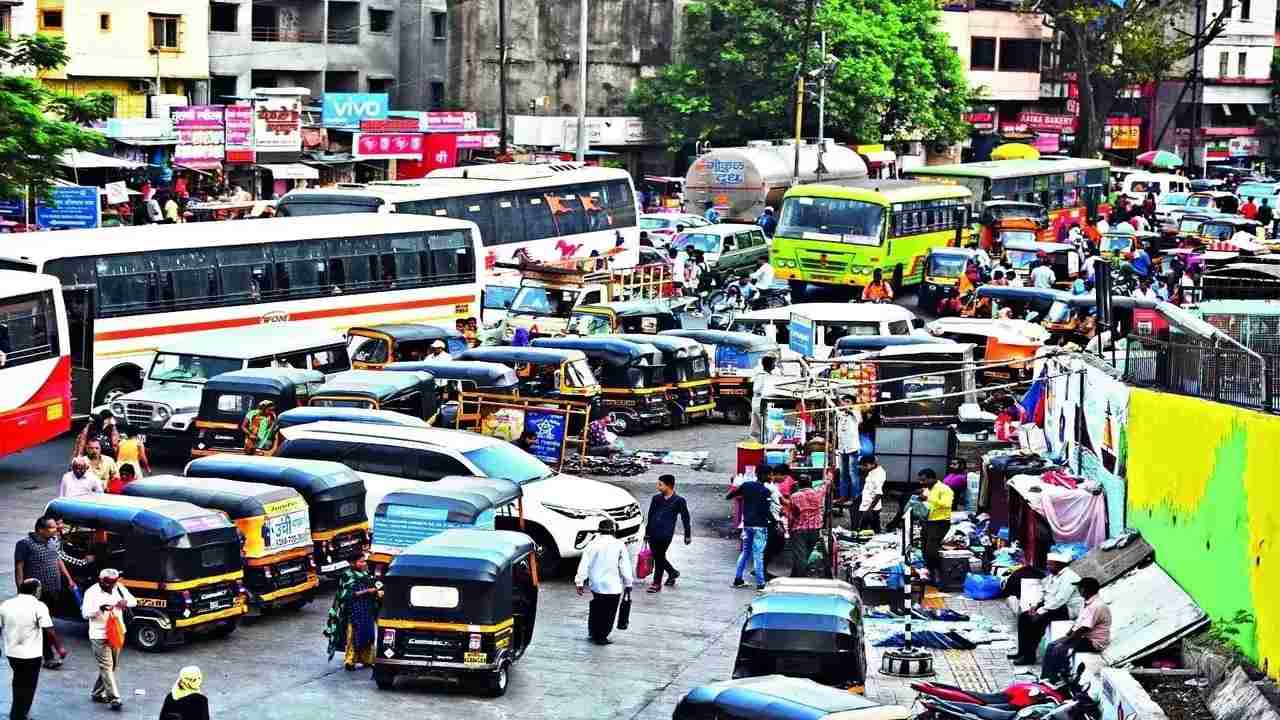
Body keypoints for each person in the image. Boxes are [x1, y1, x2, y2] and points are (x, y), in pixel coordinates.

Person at [14, 515, 75, 669]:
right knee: (43, 624)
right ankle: (48, 657)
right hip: (36, 592)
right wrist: (20, 591)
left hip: (54, 589)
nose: (56, 529)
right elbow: (19, 568)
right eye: (52, 527)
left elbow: (58, 560)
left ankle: (38, 651)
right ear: (41, 529)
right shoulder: (25, 544)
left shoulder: (53, 541)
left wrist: (69, 579)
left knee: (46, 622)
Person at [2, 579, 66, 720]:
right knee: (29, 686)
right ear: (36, 591)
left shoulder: (6, 604)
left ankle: (16, 713)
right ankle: (20, 715)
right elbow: (49, 630)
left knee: (18, 681)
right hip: (31, 655)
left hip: (12, 653)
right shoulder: (39, 606)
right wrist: (59, 648)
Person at [1008, 552, 1082, 665]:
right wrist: (1035, 605)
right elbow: (1044, 592)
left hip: (1067, 609)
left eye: (1050, 564)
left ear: (1059, 564)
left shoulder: (1070, 577)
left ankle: (1029, 657)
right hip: (1052, 606)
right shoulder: (1053, 575)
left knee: (1036, 621)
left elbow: (1060, 600)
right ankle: (1022, 651)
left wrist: (1040, 611)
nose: (1047, 567)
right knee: (1024, 617)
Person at [81, 568, 137, 711]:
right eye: (107, 583)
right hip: (99, 635)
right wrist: (100, 609)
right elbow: (85, 614)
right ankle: (114, 698)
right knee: (106, 666)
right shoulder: (91, 592)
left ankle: (97, 692)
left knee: (112, 666)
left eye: (113, 583)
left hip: (117, 632)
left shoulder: (119, 588)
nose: (111, 586)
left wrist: (124, 602)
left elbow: (134, 601)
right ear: (101, 580)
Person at [574, 518, 634, 645]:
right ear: (613, 530)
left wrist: (579, 582)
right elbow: (625, 566)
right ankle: (602, 636)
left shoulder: (592, 544)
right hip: (613, 586)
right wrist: (628, 583)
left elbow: (584, 564)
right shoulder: (619, 545)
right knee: (609, 613)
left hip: (596, 585)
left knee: (596, 608)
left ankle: (593, 632)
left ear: (599, 530)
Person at [1042, 577, 1110, 682]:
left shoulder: (1096, 606)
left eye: (1080, 588)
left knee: (1059, 649)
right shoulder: (1087, 602)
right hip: (1085, 638)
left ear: (1085, 590)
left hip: (1093, 642)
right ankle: (1045, 678)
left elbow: (1083, 628)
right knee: (1052, 646)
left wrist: (1066, 641)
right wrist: (1067, 635)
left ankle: (1054, 679)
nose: (1078, 590)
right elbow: (1078, 623)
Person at [323, 554, 381, 670]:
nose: (364, 563)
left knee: (368, 634)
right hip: (354, 610)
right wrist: (367, 591)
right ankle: (350, 661)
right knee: (354, 636)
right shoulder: (347, 575)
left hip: (367, 609)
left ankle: (367, 659)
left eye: (364, 561)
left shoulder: (366, 574)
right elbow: (347, 595)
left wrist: (378, 590)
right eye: (361, 562)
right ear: (352, 563)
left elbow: (376, 585)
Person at [643, 475, 691, 593]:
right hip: (653, 532)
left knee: (659, 557)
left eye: (660, 484)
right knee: (657, 556)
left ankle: (656, 583)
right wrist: (647, 532)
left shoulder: (679, 501)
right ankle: (672, 572)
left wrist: (687, 535)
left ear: (669, 486)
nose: (657, 486)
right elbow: (650, 515)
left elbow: (685, 518)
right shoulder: (656, 498)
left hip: (666, 534)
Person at [726, 470, 771, 590]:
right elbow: (766, 511)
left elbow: (729, 495)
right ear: (764, 475)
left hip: (747, 525)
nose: (771, 476)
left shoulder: (746, 485)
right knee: (758, 554)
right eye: (769, 474)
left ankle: (738, 579)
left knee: (745, 552)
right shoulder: (765, 491)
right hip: (760, 526)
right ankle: (760, 583)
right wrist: (775, 522)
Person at [920, 469, 954, 585]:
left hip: (940, 522)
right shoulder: (928, 489)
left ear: (932, 478)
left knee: (931, 549)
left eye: (924, 480)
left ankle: (937, 574)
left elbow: (946, 504)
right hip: (928, 521)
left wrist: (928, 498)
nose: (921, 482)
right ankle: (929, 572)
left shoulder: (945, 489)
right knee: (924, 548)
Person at [787, 476, 825, 577]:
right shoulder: (818, 493)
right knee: (805, 554)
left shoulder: (794, 496)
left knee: (800, 556)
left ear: (799, 484)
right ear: (811, 484)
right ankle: (794, 576)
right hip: (815, 529)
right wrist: (829, 476)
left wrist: (789, 528)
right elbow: (825, 486)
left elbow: (791, 515)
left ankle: (800, 578)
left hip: (799, 529)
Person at [834, 396, 861, 506]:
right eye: (844, 401)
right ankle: (843, 497)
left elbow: (848, 409)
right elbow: (836, 406)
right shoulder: (841, 414)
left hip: (852, 448)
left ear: (852, 404)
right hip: (842, 449)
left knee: (853, 474)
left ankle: (855, 498)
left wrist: (838, 397)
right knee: (843, 475)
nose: (845, 403)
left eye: (848, 401)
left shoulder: (856, 413)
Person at [750, 355, 778, 440]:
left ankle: (764, 441)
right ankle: (758, 442)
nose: (775, 365)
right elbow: (757, 389)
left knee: (764, 424)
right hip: (759, 402)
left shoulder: (768, 375)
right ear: (769, 365)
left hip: (763, 402)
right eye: (773, 363)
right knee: (759, 425)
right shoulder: (761, 376)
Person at [856, 455, 886, 533]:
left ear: (873, 464)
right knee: (873, 529)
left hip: (871, 508)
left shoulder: (877, 475)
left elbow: (879, 494)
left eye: (865, 465)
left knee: (866, 530)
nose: (863, 467)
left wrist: (869, 510)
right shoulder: (873, 471)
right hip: (867, 506)